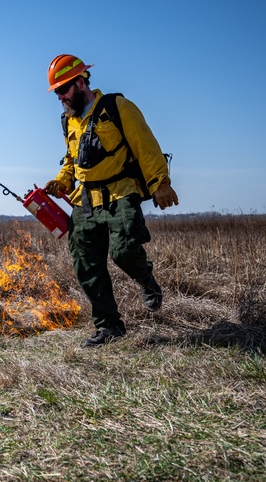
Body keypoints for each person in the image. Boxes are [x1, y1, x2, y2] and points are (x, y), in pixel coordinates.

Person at [43, 54, 178, 347]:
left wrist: (161, 183)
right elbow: (72, 159)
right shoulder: (69, 120)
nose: (60, 97)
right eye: (56, 92)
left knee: (125, 250)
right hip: (85, 200)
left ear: (80, 82)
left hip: (120, 192)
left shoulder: (118, 107)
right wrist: (62, 180)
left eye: (63, 89)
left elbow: (146, 147)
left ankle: (147, 282)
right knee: (85, 264)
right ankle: (108, 327)